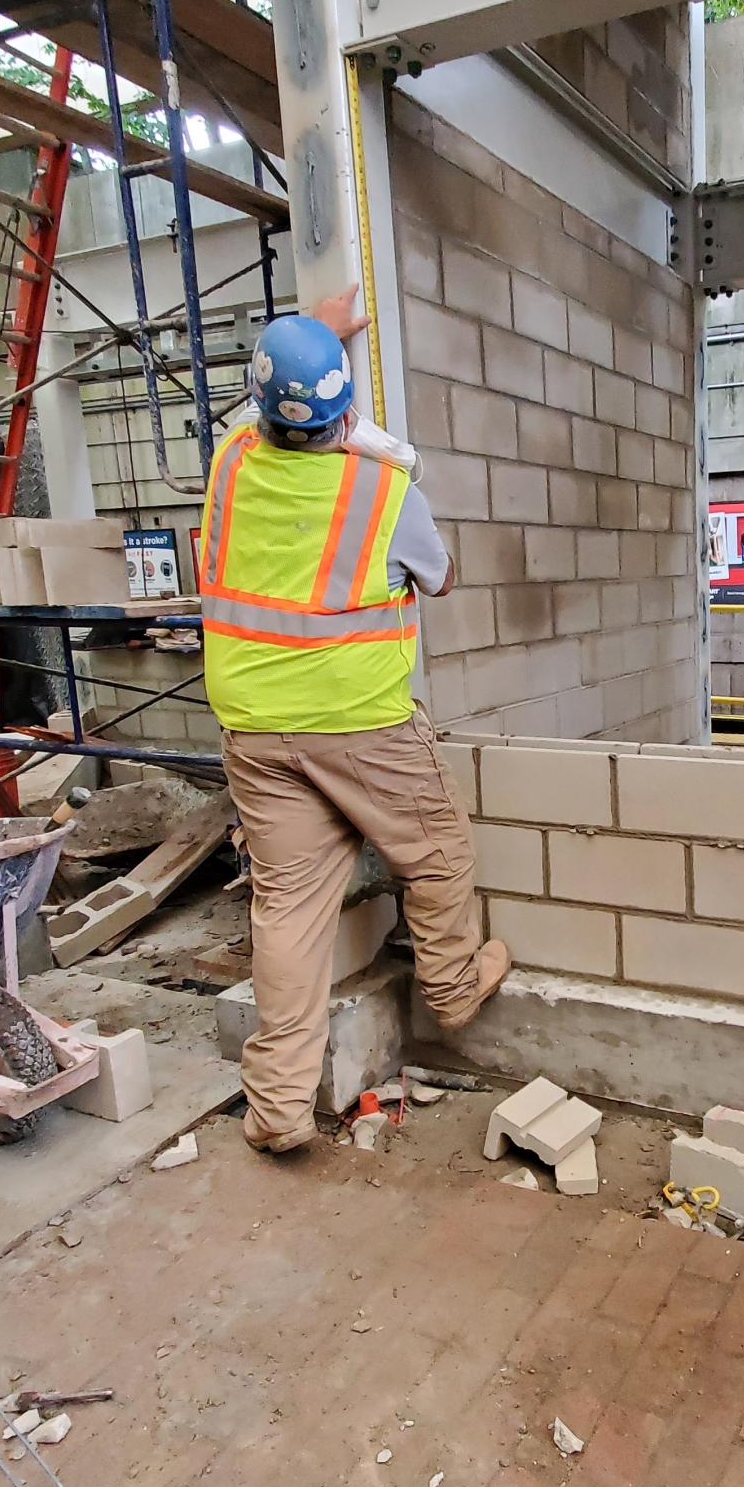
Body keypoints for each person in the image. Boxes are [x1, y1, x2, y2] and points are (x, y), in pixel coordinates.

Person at [202, 290, 509, 1153]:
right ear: (345, 414)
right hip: (362, 725)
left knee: (290, 915)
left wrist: (309, 330)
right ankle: (451, 991)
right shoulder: (384, 490)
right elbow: (440, 578)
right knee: (439, 852)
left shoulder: (228, 461)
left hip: (256, 729)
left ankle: (277, 1111)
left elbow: (264, 396)